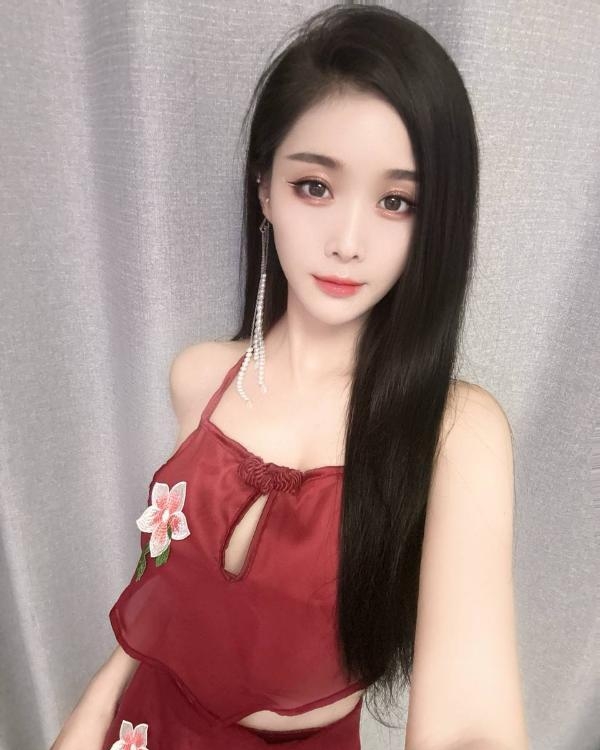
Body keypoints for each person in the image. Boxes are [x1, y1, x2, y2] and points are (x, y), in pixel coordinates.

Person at [51, 4, 529, 749]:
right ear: (265, 190)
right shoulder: (200, 380)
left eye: (395, 201)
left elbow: (472, 722)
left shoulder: (453, 436)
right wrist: (85, 721)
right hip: (144, 728)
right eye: (315, 186)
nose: (347, 241)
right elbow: (163, 599)